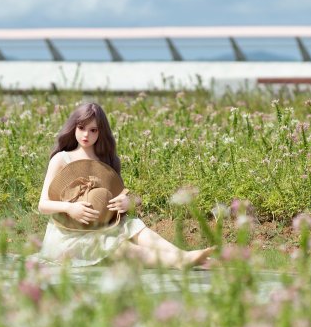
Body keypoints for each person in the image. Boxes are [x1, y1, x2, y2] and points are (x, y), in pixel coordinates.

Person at [35, 102, 214, 268]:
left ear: (100, 132)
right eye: (81, 128)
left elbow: (117, 195)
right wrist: (69, 208)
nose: (86, 135)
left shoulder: (105, 161)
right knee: (123, 249)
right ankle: (179, 261)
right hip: (70, 235)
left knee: (137, 227)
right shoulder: (62, 159)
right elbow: (43, 204)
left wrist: (125, 203)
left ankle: (184, 255)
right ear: (74, 127)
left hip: (103, 225)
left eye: (93, 130)